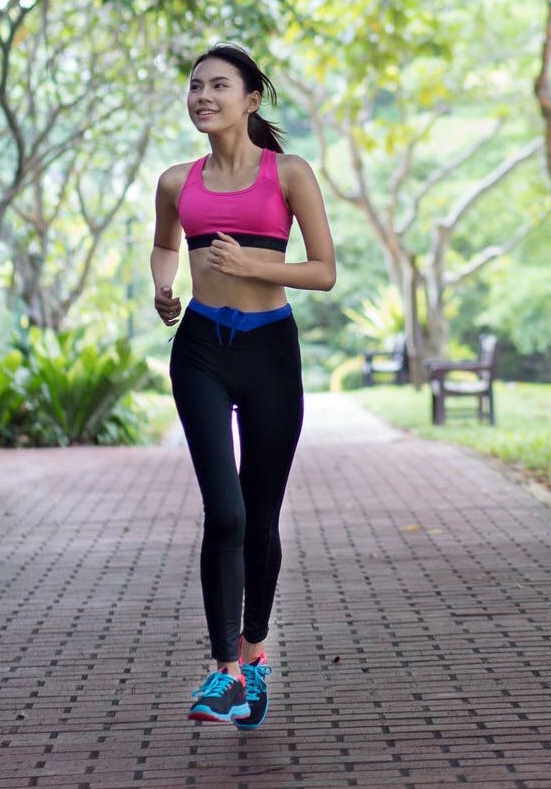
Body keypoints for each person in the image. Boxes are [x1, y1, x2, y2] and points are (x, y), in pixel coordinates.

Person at [151, 43, 336, 728]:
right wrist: (163, 285)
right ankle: (222, 671)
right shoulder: (177, 180)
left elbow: (323, 271)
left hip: (269, 352)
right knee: (222, 511)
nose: (202, 95)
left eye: (217, 85)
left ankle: (252, 654)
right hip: (199, 347)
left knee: (259, 515)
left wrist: (255, 269)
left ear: (250, 99)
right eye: (195, 85)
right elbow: (166, 242)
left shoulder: (287, 172)